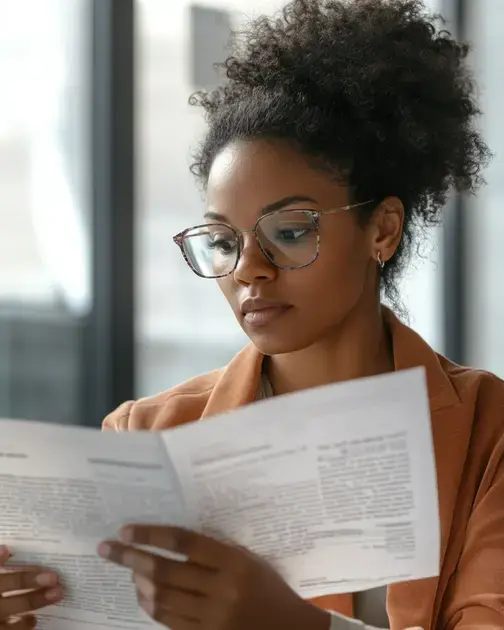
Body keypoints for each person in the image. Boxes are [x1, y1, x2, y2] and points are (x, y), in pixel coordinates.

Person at [1, 0, 502, 629]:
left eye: (290, 232)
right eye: (223, 240)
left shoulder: (490, 434)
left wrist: (290, 624)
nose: (248, 269)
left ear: (383, 229)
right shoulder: (145, 436)